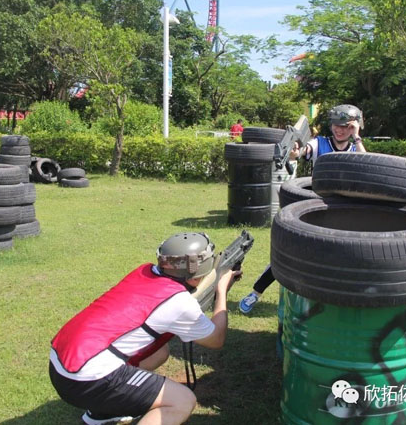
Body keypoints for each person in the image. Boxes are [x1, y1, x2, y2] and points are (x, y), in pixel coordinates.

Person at [49, 232, 242, 425]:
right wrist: (221, 291)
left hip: (61, 362)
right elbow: (216, 339)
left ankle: (102, 412)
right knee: (182, 401)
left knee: (159, 352)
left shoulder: (144, 271)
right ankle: (102, 402)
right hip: (87, 378)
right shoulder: (178, 302)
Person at [239, 104, 366, 314]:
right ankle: (256, 293)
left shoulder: (355, 149)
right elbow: (300, 152)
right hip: (314, 208)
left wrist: (357, 137)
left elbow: (366, 164)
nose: (339, 130)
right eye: (336, 125)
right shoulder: (320, 143)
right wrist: (294, 152)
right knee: (289, 254)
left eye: (345, 126)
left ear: (354, 127)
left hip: (342, 213)